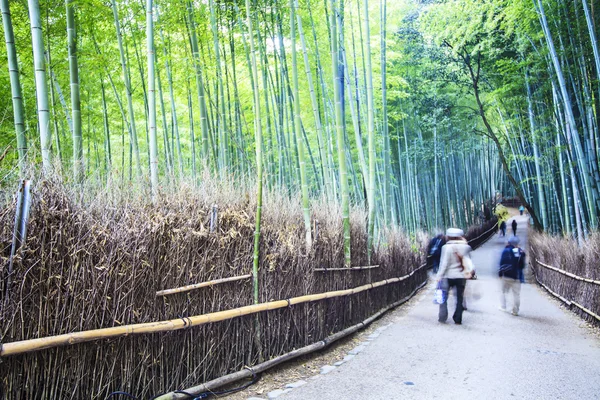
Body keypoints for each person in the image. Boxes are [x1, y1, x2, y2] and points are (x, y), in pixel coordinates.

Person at [436, 228, 474, 325]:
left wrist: (439, 275)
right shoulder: (466, 247)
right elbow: (468, 261)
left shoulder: (446, 247)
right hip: (461, 276)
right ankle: (458, 318)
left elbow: (444, 263)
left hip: (447, 276)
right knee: (459, 298)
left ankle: (442, 316)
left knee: (444, 297)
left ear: (448, 236)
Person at [499, 235, 526, 316]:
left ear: (509, 242)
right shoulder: (521, 252)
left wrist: (500, 274)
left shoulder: (506, 250)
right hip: (517, 276)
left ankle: (503, 306)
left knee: (503, 291)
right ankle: (515, 311)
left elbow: (502, 263)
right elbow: (522, 266)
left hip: (506, 275)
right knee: (516, 294)